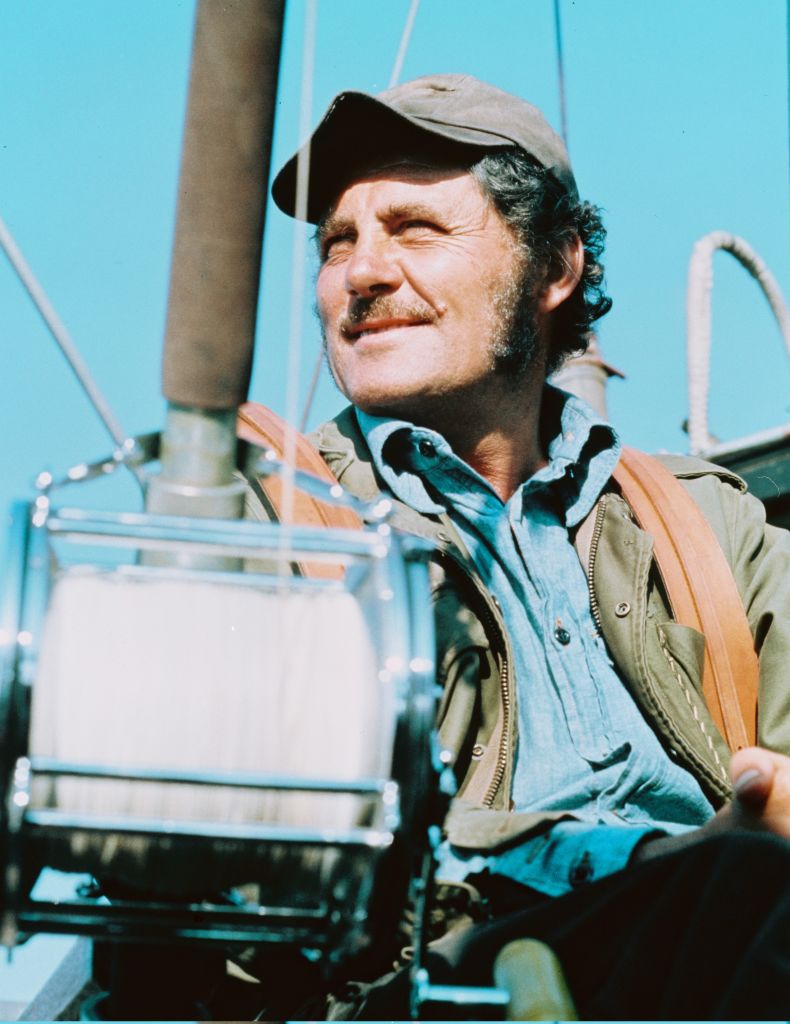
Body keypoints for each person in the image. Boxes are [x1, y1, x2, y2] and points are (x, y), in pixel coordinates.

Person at [269, 73, 790, 1019]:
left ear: (554, 269)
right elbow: (264, 835)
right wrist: (639, 858)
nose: (363, 271)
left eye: (415, 229)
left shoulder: (707, 521)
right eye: (337, 242)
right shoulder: (267, 530)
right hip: (425, 986)